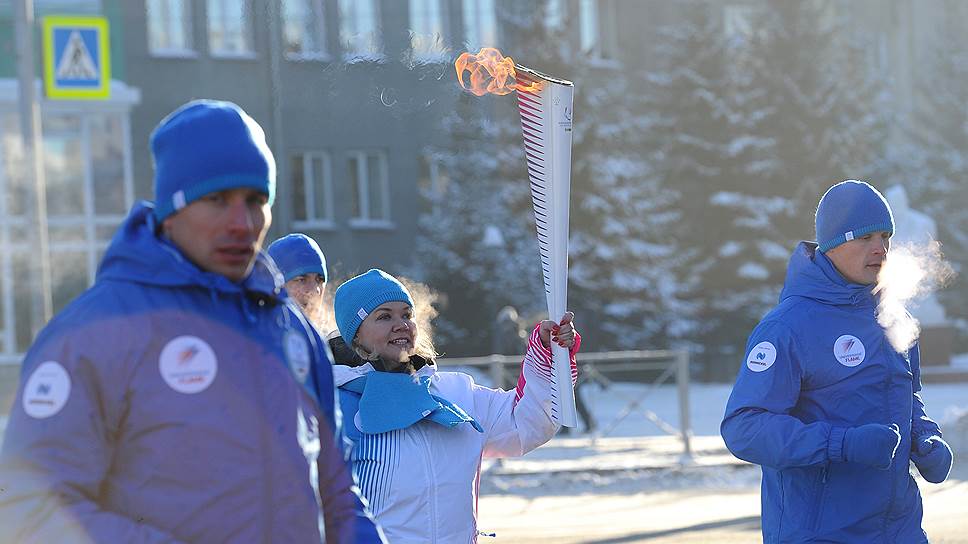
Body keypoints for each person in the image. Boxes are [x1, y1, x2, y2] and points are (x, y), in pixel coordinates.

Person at [0, 100, 383, 543]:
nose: (242, 223)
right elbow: (28, 510)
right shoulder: (93, 335)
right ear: (171, 209)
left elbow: (335, 491)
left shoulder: (289, 331)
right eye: (217, 199)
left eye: (256, 200)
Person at [721, 180, 953, 543]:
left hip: (900, 530)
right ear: (831, 244)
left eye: (884, 237)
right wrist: (841, 445)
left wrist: (925, 436)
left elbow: (907, 398)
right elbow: (744, 429)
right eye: (864, 238)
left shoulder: (894, 317)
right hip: (820, 534)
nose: (880, 249)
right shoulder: (788, 327)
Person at [328, 269, 580, 543]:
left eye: (406, 314)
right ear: (356, 337)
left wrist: (548, 349)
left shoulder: (457, 394)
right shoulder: (335, 408)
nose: (401, 324)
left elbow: (527, 424)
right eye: (384, 316)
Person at [268, 232, 330, 329]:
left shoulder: (328, 339)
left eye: (319, 280)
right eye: (301, 280)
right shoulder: (255, 338)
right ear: (276, 285)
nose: (314, 290)